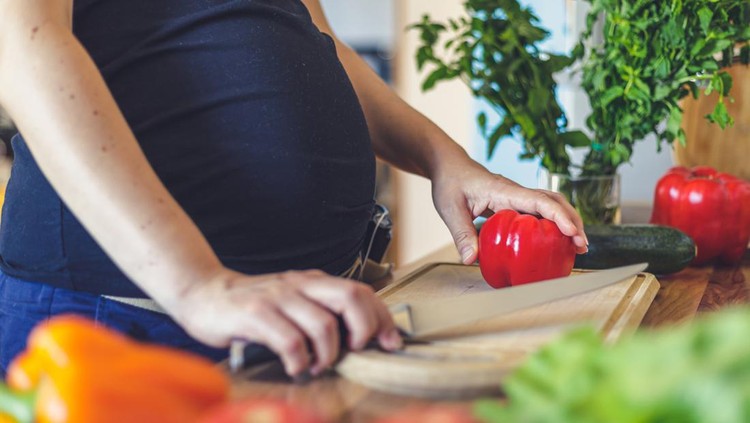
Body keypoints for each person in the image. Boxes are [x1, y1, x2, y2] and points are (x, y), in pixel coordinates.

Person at [0, 0, 588, 378]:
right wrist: (199, 284)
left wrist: (446, 160)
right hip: (126, 315)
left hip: (288, 318)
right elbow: (21, 46)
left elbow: (321, 46)